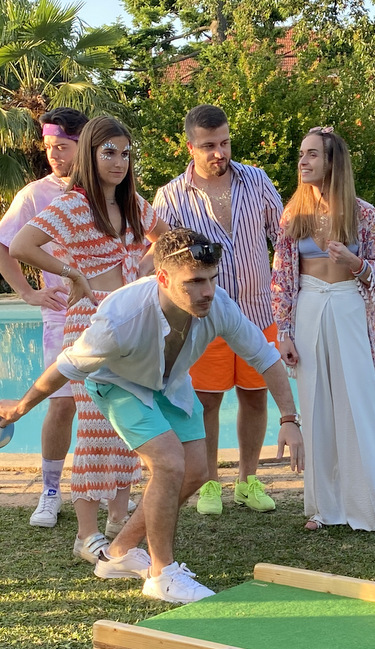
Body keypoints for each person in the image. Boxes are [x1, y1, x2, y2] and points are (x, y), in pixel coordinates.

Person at [0, 228, 305, 604]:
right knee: (169, 463)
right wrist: (19, 408)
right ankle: (161, 574)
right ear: (163, 278)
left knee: (197, 471)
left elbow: (265, 358)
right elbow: (65, 366)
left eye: (212, 280)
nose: (207, 291)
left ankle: (117, 554)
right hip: (119, 384)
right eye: (195, 282)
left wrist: (289, 419)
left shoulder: (219, 306)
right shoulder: (122, 315)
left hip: (170, 382)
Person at [12, 116, 168, 564]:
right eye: (108, 152)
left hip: (132, 321)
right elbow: (22, 245)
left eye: (125, 153)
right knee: (97, 429)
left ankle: (119, 521)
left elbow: (166, 237)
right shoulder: (74, 204)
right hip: (91, 321)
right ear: (90, 156)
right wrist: (71, 271)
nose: (119, 161)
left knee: (128, 425)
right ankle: (86, 535)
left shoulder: (134, 203)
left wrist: (142, 268)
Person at [152, 104, 285, 517]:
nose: (219, 152)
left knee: (255, 397)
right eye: (209, 145)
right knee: (207, 403)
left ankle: (248, 480)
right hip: (202, 321)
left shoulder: (257, 180)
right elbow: (164, 261)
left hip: (259, 312)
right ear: (190, 146)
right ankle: (209, 482)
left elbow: (283, 239)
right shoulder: (171, 196)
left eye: (224, 142)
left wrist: (283, 289)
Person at [272, 127, 375, 533]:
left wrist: (355, 263)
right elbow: (281, 278)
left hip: (348, 305)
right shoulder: (294, 215)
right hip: (309, 306)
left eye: (312, 155)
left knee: (361, 407)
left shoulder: (363, 214)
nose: (303, 161)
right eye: (301, 154)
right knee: (315, 409)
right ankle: (324, 509)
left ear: (332, 162)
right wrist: (285, 331)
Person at [0, 106, 89, 528]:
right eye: (49, 148)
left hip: (105, 313)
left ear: (84, 145)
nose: (54, 156)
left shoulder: (106, 190)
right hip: (61, 316)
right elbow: (1, 244)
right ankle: (50, 491)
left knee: (113, 407)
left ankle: (114, 488)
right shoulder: (35, 194)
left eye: (62, 148)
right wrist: (29, 292)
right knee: (61, 405)